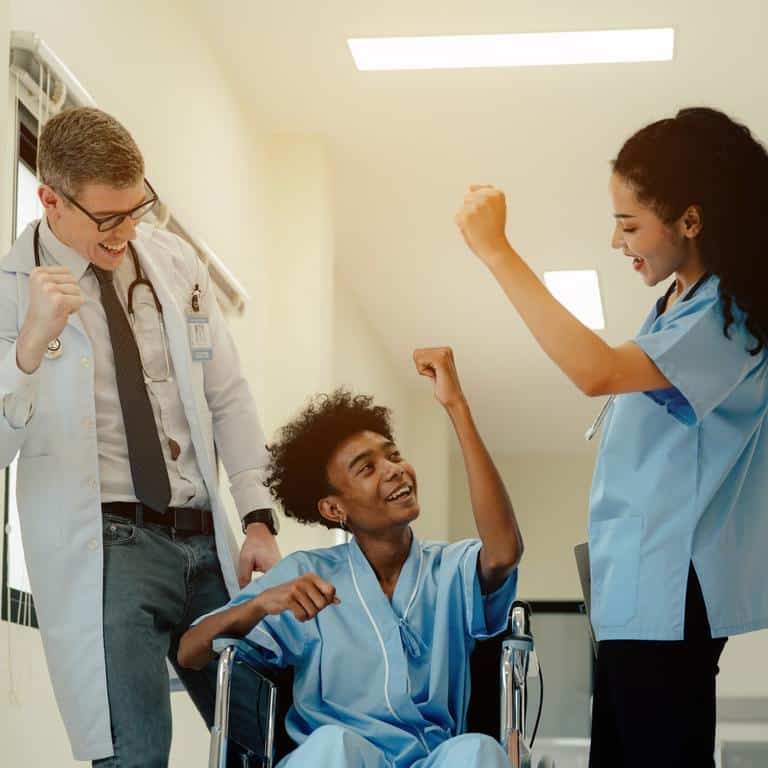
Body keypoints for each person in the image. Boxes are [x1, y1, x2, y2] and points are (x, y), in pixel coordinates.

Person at [454, 106, 768, 767]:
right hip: (634, 595)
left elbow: (595, 371)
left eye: (629, 224)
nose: (617, 241)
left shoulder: (730, 321)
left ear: (691, 219)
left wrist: (496, 252)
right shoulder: (676, 305)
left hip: (668, 596)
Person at [0, 106, 281, 766]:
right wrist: (31, 344)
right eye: (108, 218)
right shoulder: (12, 292)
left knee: (266, 735)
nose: (127, 231)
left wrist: (258, 517)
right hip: (111, 551)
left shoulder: (173, 259)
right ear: (50, 200)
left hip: (203, 539)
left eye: (138, 209)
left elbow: (228, 394)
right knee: (135, 753)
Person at [179, 346, 523, 768]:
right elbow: (190, 651)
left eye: (393, 455)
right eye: (367, 468)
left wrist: (456, 406)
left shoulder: (448, 569)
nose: (393, 469)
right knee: (332, 746)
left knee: (479, 750)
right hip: (337, 760)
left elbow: (504, 552)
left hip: (433, 759)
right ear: (333, 509)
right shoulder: (305, 575)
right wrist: (260, 603)